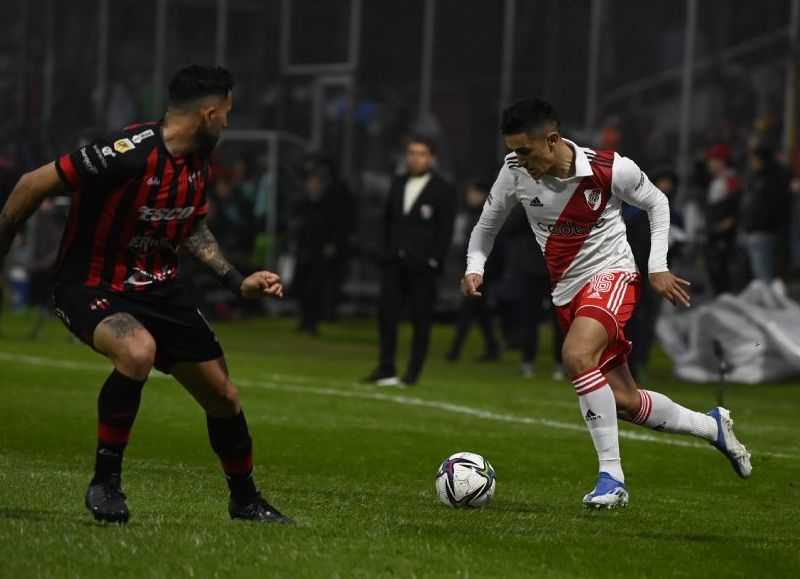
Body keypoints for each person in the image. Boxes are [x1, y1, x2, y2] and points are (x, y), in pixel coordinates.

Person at [0, 65, 292, 525]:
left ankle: (246, 502)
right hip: (90, 285)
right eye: (228, 114)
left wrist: (236, 280)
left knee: (224, 397)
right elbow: (31, 184)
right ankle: (105, 484)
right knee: (137, 351)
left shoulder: (199, 158)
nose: (229, 123)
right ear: (208, 113)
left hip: (159, 290)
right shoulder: (126, 153)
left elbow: (191, 223)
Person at [462, 98, 751, 509]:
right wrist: (476, 266)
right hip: (566, 292)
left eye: (525, 150)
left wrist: (657, 266)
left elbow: (657, 203)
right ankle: (711, 427)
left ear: (553, 139)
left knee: (577, 356)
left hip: (612, 276)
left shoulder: (609, 168)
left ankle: (611, 478)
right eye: (513, 150)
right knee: (626, 402)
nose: (519, 159)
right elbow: (485, 227)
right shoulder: (513, 173)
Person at [364, 135, 456, 387]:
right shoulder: (397, 183)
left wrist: (434, 260)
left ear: (432, 158)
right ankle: (386, 367)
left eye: (421, 153)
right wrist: (384, 251)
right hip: (394, 261)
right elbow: (387, 220)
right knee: (387, 315)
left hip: (422, 266)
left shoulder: (443, 188)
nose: (415, 158)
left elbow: (444, 229)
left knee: (421, 318)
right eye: (412, 153)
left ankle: (413, 371)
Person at [445, 178, 500, 362]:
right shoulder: (474, 214)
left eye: (473, 192)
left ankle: (455, 350)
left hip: (480, 273)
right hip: (476, 271)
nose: (470, 196)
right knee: (479, 312)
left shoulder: (487, 216)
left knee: (468, 311)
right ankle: (492, 347)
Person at [743, 145, 790, 283]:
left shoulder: (771, 179)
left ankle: (768, 301)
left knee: (764, 274)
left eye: (753, 159)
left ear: (760, 159)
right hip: (758, 230)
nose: (751, 162)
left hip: (764, 232)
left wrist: (759, 226)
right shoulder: (759, 177)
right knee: (760, 271)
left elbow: (769, 207)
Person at [703, 144, 741, 295]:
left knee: (722, 271)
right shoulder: (716, 181)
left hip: (723, 235)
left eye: (713, 160)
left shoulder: (729, 181)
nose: (710, 164)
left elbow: (734, 206)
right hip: (714, 232)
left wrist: (727, 222)